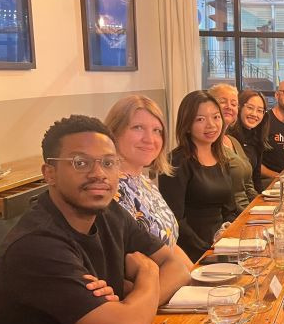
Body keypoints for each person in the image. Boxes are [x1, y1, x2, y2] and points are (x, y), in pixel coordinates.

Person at [0, 115, 191, 324]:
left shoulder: (109, 214)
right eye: (80, 163)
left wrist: (131, 306)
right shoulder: (35, 246)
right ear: (50, 173)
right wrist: (148, 277)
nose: (98, 174)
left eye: (108, 162)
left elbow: (179, 266)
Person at [159, 90, 238, 262]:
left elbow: (229, 208)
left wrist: (229, 234)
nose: (211, 125)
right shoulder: (176, 162)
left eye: (216, 117)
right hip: (193, 252)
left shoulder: (221, 157)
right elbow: (175, 220)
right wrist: (208, 250)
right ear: (187, 125)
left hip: (223, 244)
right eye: (200, 119)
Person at [104, 95, 180, 248]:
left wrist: (193, 272)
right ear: (114, 132)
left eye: (157, 130)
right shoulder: (109, 189)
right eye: (138, 127)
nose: (150, 139)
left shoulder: (145, 182)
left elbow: (169, 245)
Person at [211, 83, 259, 210]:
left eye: (233, 104)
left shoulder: (233, 141)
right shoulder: (209, 147)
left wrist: (260, 206)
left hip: (248, 211)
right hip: (235, 216)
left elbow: (248, 185)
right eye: (223, 101)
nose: (229, 107)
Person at [227, 89, 270, 193]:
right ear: (239, 108)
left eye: (260, 110)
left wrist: (260, 202)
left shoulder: (256, 138)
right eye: (250, 108)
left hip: (249, 197)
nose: (254, 114)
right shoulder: (228, 138)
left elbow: (256, 179)